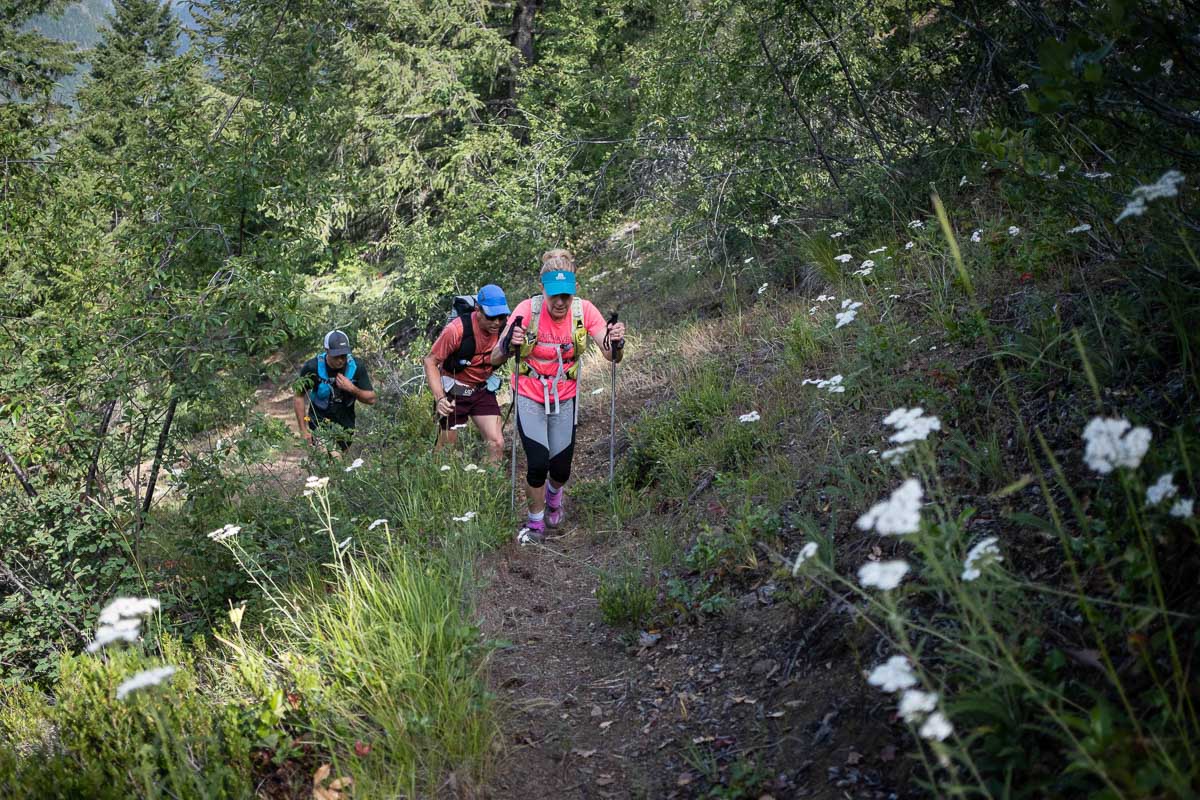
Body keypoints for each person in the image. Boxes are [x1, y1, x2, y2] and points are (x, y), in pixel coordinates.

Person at [501, 249, 625, 542]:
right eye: (554, 294)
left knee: (560, 468)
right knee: (537, 462)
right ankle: (535, 524)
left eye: (566, 295)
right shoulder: (527, 310)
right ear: (542, 288)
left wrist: (616, 340)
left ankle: (554, 495)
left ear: (574, 291)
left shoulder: (584, 311)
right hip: (530, 393)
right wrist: (510, 342)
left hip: (564, 395)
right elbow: (499, 352)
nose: (560, 302)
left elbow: (611, 355)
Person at [423, 284, 512, 463]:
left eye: (501, 317)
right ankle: (437, 487)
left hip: (482, 390)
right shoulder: (456, 330)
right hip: (455, 390)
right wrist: (440, 398)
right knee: (446, 451)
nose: (496, 322)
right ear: (478, 310)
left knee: (496, 443)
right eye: (491, 316)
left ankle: (488, 487)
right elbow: (430, 361)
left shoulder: (505, 329)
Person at [294, 329, 377, 451]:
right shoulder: (312, 367)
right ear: (327, 351)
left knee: (339, 464)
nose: (340, 360)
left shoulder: (356, 366)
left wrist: (352, 388)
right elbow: (298, 396)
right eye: (336, 355)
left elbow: (371, 399)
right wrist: (303, 430)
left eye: (343, 355)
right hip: (319, 421)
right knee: (331, 457)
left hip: (346, 424)